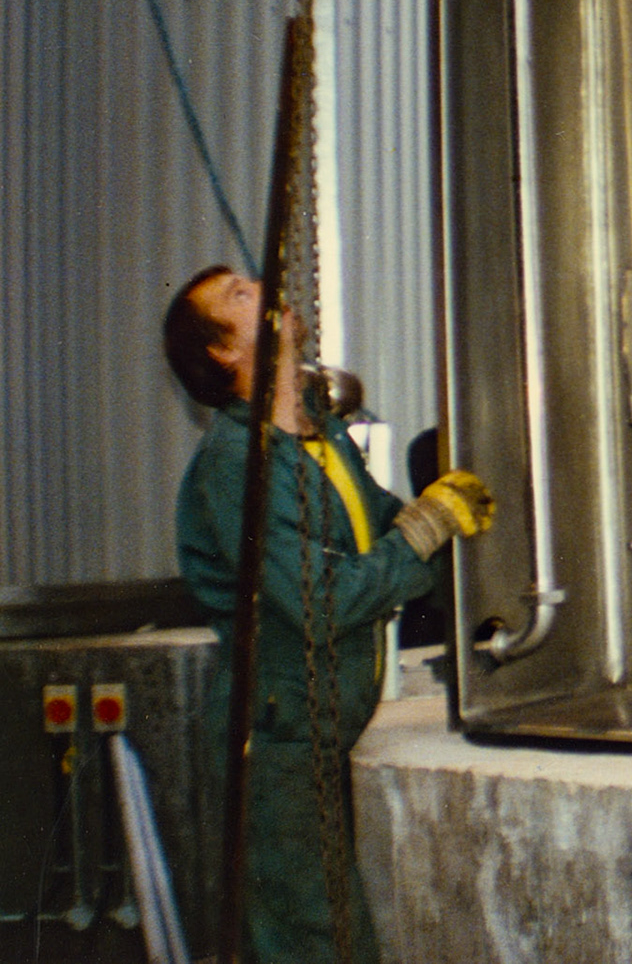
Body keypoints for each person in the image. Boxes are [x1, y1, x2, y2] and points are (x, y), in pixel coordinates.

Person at [164, 264, 493, 963]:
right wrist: (427, 528)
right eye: (240, 295)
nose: (262, 284)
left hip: (326, 727)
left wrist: (449, 528)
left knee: (332, 933)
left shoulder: (321, 439)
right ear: (222, 351)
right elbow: (322, 600)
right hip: (277, 743)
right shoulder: (235, 465)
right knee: (317, 941)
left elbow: (385, 538)